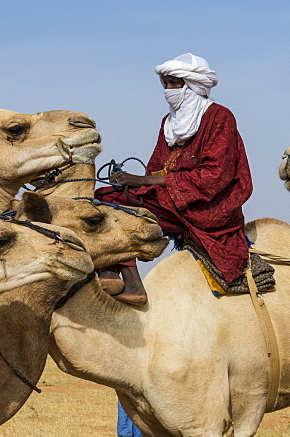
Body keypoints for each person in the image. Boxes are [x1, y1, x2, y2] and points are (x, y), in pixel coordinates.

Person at [96, 54, 252, 304]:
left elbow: (214, 176)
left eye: (174, 83)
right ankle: (109, 269)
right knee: (102, 198)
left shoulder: (219, 117)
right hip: (170, 197)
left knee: (119, 210)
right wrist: (131, 181)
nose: (168, 90)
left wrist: (143, 181)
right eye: (165, 83)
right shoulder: (169, 122)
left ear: (191, 85)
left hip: (207, 205)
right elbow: (156, 167)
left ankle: (133, 284)